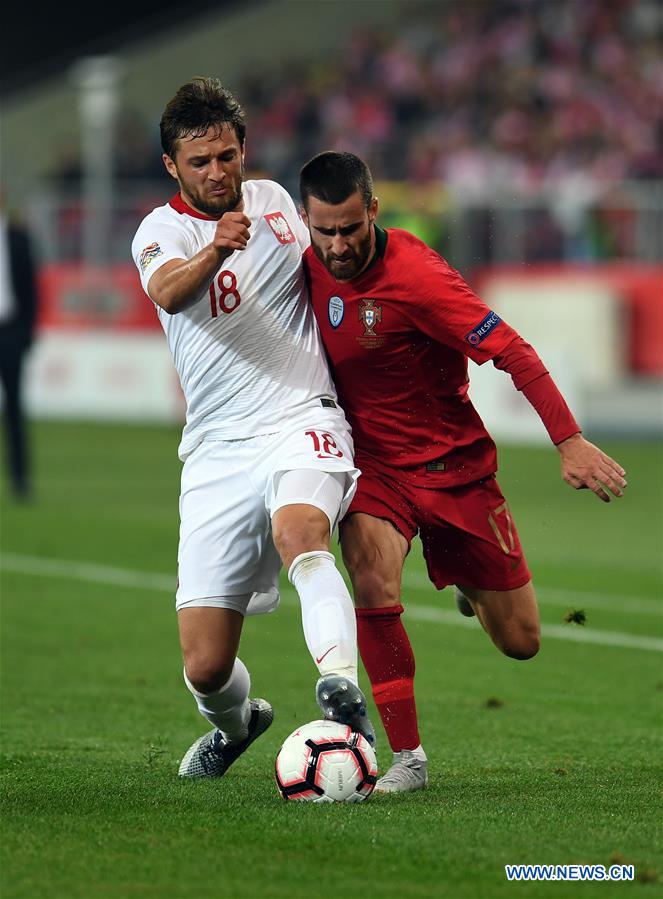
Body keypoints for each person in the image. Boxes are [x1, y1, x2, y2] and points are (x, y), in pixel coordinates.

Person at [298, 151, 627, 793]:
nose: (337, 246)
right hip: (376, 468)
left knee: (522, 642)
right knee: (370, 579)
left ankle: (471, 589)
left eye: (350, 229)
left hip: (457, 471)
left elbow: (513, 351)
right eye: (324, 231)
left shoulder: (418, 277)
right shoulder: (303, 264)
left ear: (373, 209)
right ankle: (408, 759)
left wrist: (570, 441)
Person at [130, 79, 375, 780]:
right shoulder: (162, 231)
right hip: (215, 449)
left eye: (227, 156)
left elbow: (339, 259)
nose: (217, 172)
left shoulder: (277, 206)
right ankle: (239, 724)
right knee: (205, 665)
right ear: (172, 166)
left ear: (244, 150)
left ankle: (340, 690)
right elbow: (169, 291)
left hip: (302, 417)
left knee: (301, 532)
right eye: (199, 161)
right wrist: (216, 249)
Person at [0, 206, 38, 499]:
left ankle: (20, 481)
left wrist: (26, 333)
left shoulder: (17, 237)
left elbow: (31, 288)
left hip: (10, 332)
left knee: (14, 408)